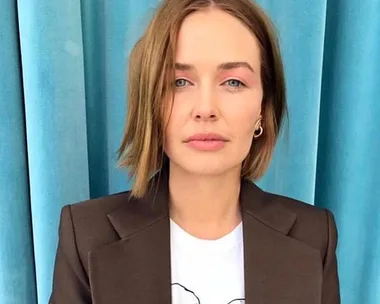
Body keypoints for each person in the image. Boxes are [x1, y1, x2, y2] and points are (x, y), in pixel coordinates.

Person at [49, 0, 340, 303]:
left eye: (233, 82)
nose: (205, 109)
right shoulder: (86, 235)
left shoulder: (314, 236)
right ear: (151, 102)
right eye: (179, 82)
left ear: (263, 111)